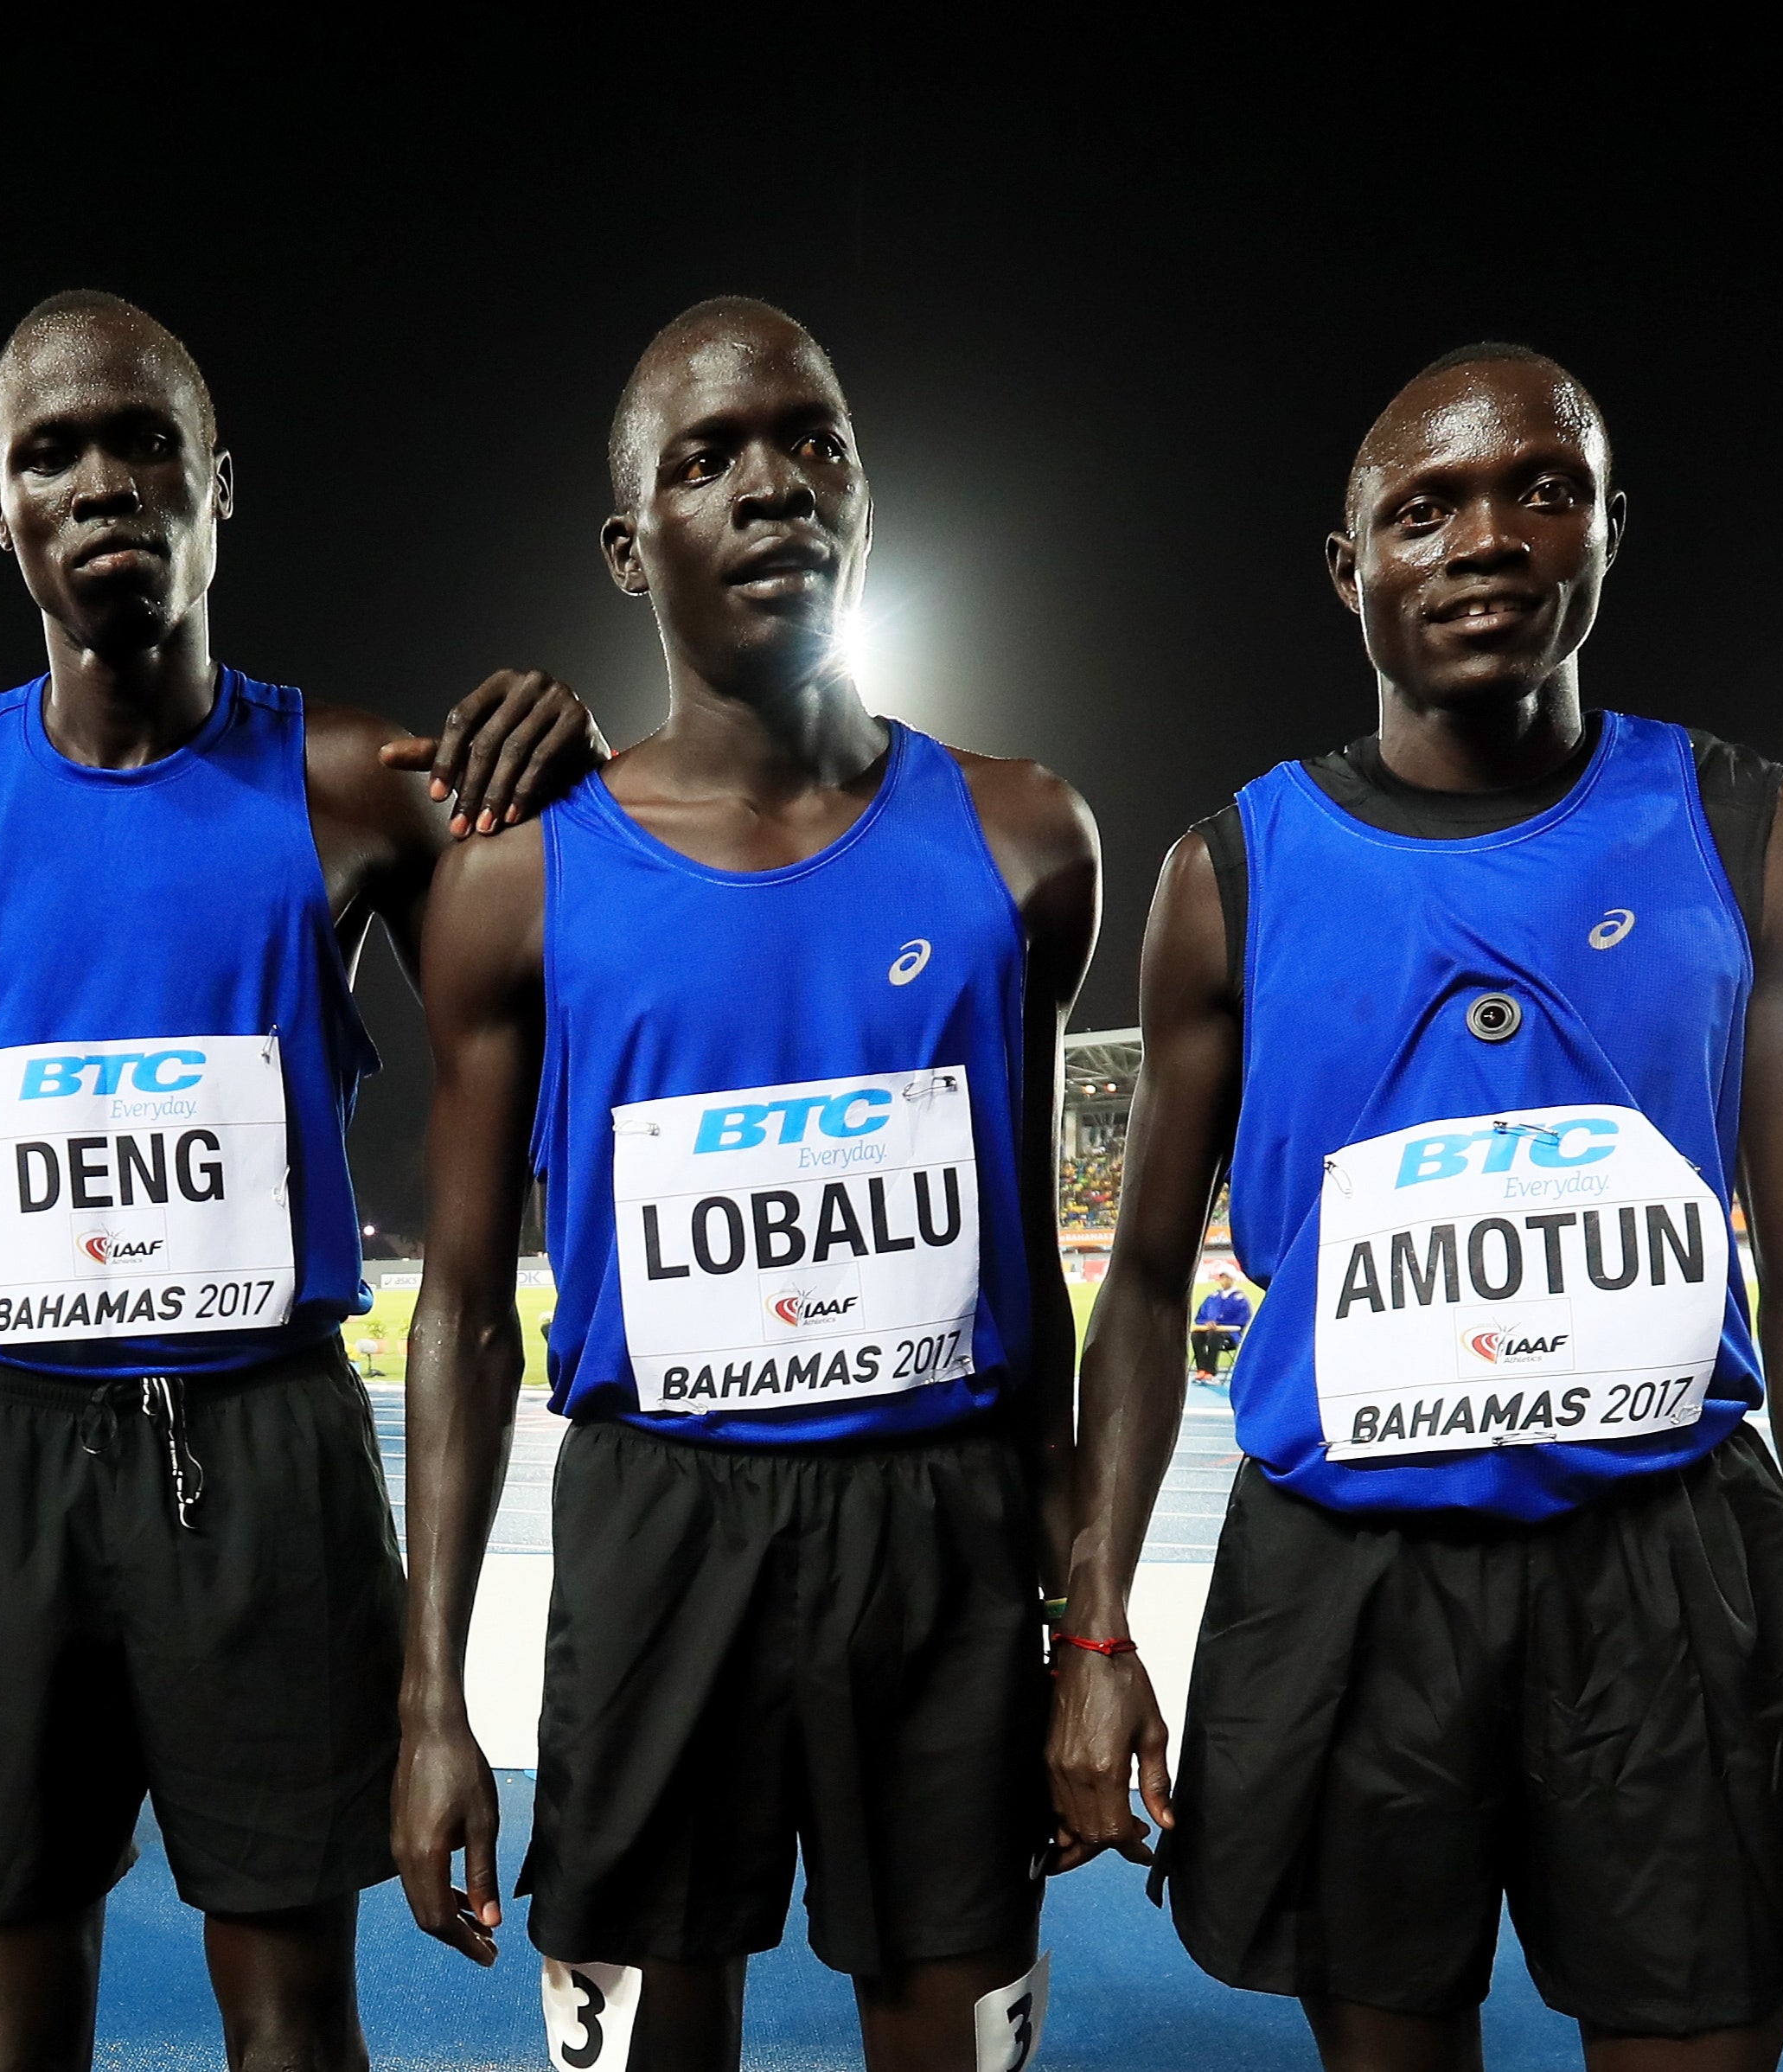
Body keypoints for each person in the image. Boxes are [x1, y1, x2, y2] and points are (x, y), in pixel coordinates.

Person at [0, 288, 605, 2071]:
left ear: (220, 482)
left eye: (145, 437)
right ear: (1, 515)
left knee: (292, 2021)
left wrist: (575, 768)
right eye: (47, 452)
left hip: (267, 1444)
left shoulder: (357, 782)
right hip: (0, 1455)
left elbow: (597, 960)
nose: (100, 479)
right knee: (5, 2030)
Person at [1049, 343, 1783, 2070]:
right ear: (1351, 567)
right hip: (1352, 1586)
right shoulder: (1227, 872)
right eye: (1425, 509)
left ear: (1610, 529)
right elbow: (1143, 1288)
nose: (1487, 538)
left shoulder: (1751, 827)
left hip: (1669, 1575)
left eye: (1541, 488)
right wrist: (1091, 1627)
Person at [392, 297, 1098, 2072]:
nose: (773, 484)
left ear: (864, 498)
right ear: (632, 549)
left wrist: (1085, 1623)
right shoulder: (517, 883)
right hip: (655, 1541)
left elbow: (1036, 1292)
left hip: (940, 1549)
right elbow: (465, 1311)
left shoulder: (1027, 841)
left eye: (812, 443)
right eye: (709, 460)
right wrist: (430, 1697)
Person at [1188, 1267, 1249, 1382]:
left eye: (1226, 1277)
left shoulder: (1240, 1299)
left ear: (1232, 1279)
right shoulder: (1213, 1297)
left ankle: (1211, 1370)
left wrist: (1220, 1325)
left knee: (1214, 1335)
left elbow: (1242, 1320)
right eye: (1221, 1277)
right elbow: (1200, 1316)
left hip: (1229, 1335)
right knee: (1196, 1336)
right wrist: (1206, 1323)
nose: (1223, 1280)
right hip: (1209, 1331)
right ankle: (1202, 1368)